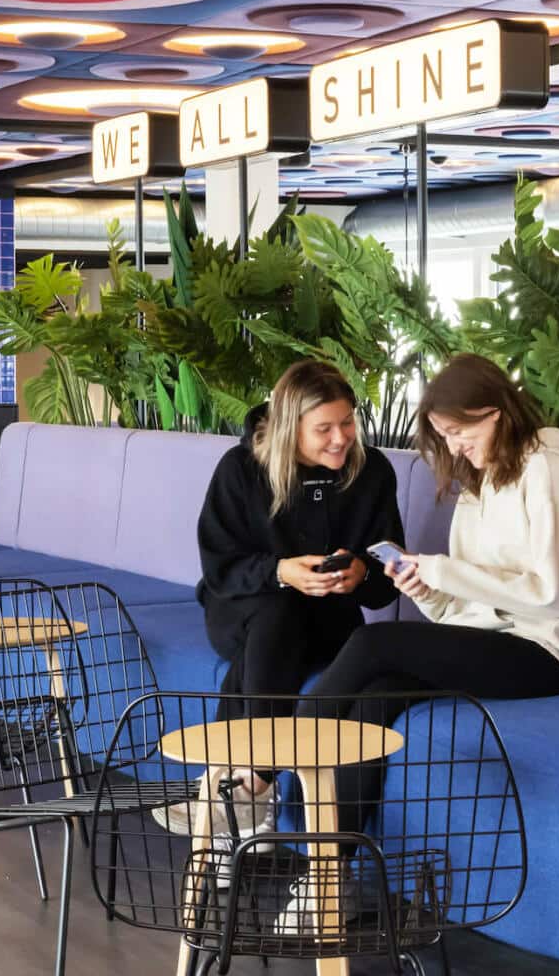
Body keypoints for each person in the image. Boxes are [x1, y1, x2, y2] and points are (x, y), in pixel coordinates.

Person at [277, 353, 559, 932]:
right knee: (377, 698)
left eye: (460, 432)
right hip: (487, 638)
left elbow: (558, 593)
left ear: (498, 413)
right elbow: (461, 608)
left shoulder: (547, 473)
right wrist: (423, 585)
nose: (454, 448)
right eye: (445, 436)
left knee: (376, 647)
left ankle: (276, 765)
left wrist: (446, 571)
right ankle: (328, 877)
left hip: (545, 652)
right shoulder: (479, 484)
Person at [169, 359, 403, 839]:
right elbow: (219, 568)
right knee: (277, 615)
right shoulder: (242, 470)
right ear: (287, 428)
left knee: (277, 643)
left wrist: (360, 573)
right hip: (242, 607)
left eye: (347, 423)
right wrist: (279, 571)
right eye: (324, 429)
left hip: (328, 619)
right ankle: (258, 781)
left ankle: (233, 787)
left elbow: (384, 585)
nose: (340, 438)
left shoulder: (372, 472)